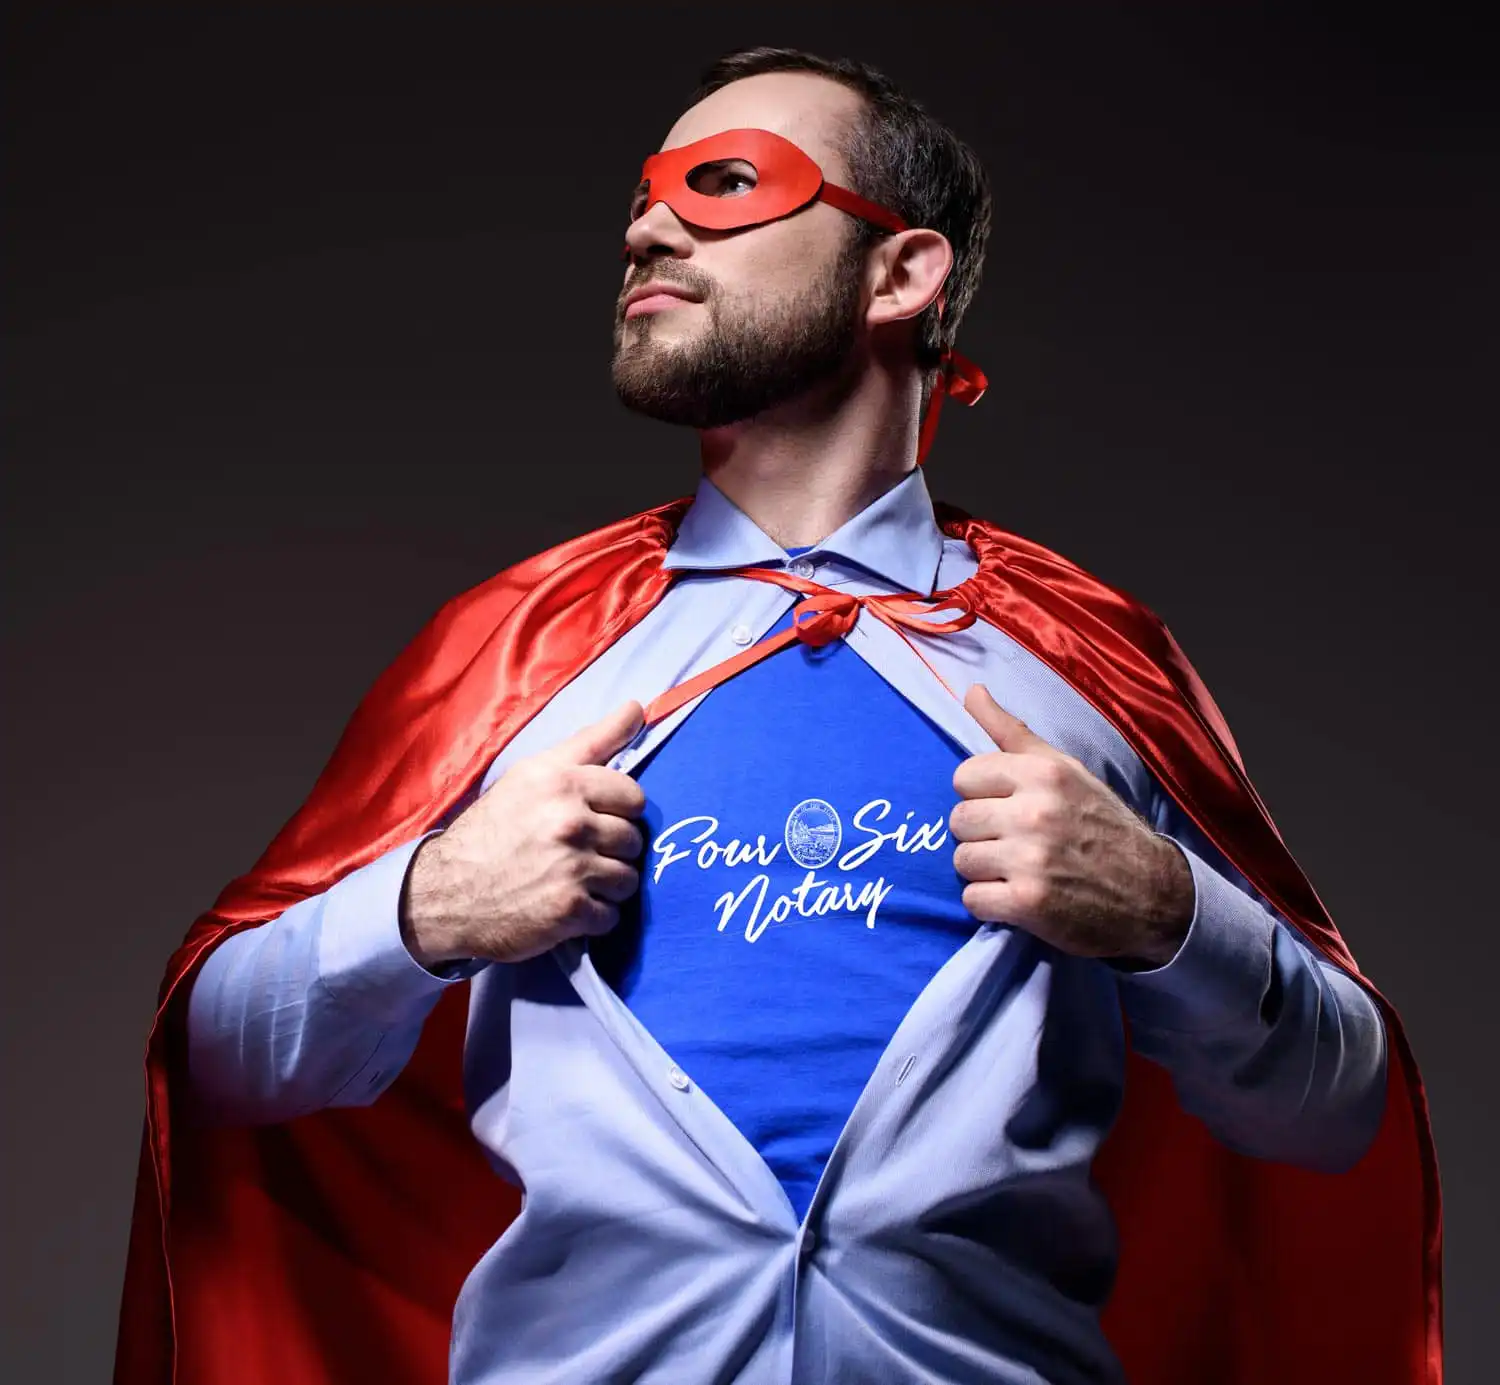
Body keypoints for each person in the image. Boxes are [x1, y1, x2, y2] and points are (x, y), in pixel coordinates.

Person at [116, 47, 1441, 1385]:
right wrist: (429, 908)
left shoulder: (1088, 660)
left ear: (901, 273)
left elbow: (1338, 1115)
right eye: (642, 197)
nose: (647, 228)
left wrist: (1168, 914)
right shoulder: (513, 646)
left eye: (725, 184)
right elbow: (216, 1066)